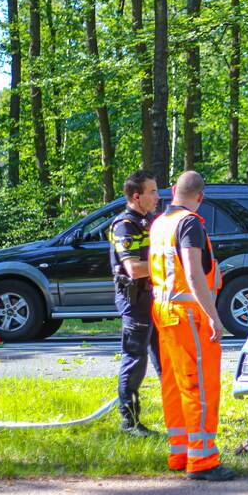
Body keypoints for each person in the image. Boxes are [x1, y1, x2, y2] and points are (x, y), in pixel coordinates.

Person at [149, 170, 234, 481]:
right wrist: (213, 314)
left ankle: (180, 451)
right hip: (188, 314)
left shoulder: (160, 223)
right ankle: (202, 461)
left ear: (173, 190)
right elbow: (194, 272)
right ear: (201, 197)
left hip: (164, 310)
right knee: (199, 386)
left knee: (174, 385)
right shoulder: (189, 224)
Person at [108, 170, 162, 437]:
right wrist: (167, 266)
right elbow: (133, 269)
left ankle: (177, 416)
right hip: (136, 299)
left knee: (164, 358)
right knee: (135, 359)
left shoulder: (150, 220)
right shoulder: (124, 225)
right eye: (152, 191)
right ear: (136, 196)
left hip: (155, 298)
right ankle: (129, 422)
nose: (157, 196)